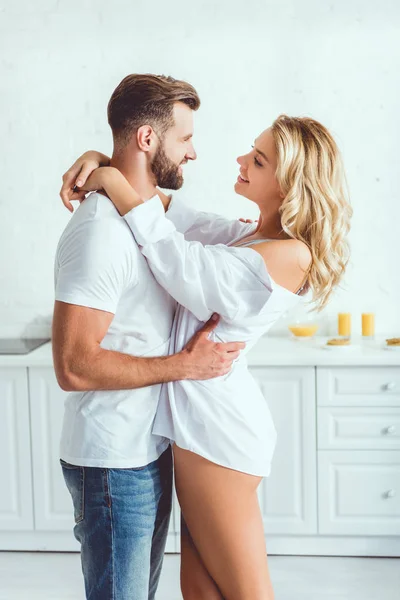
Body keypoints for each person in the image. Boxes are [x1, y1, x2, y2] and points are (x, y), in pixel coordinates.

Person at [63, 111, 352, 599]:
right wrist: (106, 162)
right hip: (198, 436)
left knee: (246, 592)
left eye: (258, 160)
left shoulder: (289, 254)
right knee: (200, 591)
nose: (241, 159)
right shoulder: (250, 236)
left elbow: (180, 264)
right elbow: (173, 218)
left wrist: (112, 179)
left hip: (221, 440)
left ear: (289, 185)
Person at [53, 73, 248, 600]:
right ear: (146, 138)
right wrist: (184, 366)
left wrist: (102, 162)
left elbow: (223, 231)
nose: (193, 153)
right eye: (184, 138)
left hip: (148, 449)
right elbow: (72, 366)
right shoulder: (99, 233)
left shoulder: (150, 218)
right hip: (113, 462)